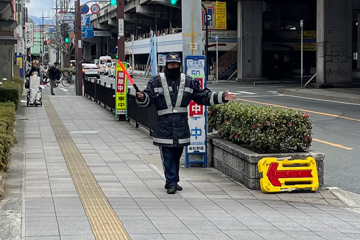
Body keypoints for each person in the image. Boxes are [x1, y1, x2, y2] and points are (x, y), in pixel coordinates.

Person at [136, 53, 236, 194]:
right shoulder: (156, 81)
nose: (173, 67)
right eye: (171, 64)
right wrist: (142, 97)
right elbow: (148, 99)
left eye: (176, 65)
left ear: (179, 65)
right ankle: (171, 182)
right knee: (168, 155)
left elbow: (202, 96)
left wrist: (221, 97)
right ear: (166, 65)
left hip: (181, 125)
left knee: (177, 155)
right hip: (164, 125)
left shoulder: (188, 81)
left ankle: (174, 180)